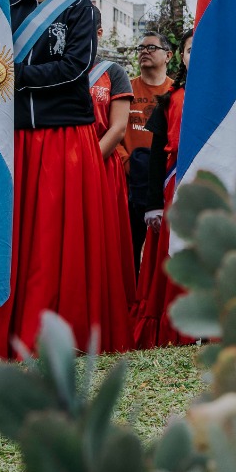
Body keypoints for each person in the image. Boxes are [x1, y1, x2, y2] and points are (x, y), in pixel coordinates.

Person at [0, 0, 135, 361]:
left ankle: (64, 335)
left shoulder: (81, 9)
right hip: (17, 135)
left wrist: (10, 74)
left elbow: (75, 69)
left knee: (62, 241)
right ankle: (12, 336)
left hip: (66, 136)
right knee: (19, 238)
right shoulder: (7, 4)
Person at [133, 30, 194, 349]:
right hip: (174, 190)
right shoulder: (171, 98)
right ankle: (171, 326)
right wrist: (153, 203)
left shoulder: (233, 97)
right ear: (180, 57)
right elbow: (157, 156)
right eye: (188, 50)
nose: (194, 54)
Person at [88, 31, 136, 319]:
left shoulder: (112, 72)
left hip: (101, 165)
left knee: (102, 241)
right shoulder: (53, 68)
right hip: (60, 166)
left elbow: (117, 128)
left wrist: (85, 164)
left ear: (99, 33)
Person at [125, 32, 175, 264]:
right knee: (129, 244)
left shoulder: (176, 93)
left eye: (151, 47)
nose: (144, 51)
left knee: (163, 247)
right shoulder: (126, 88)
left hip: (164, 181)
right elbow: (113, 132)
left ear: (168, 55)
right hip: (129, 180)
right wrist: (126, 163)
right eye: (141, 47)